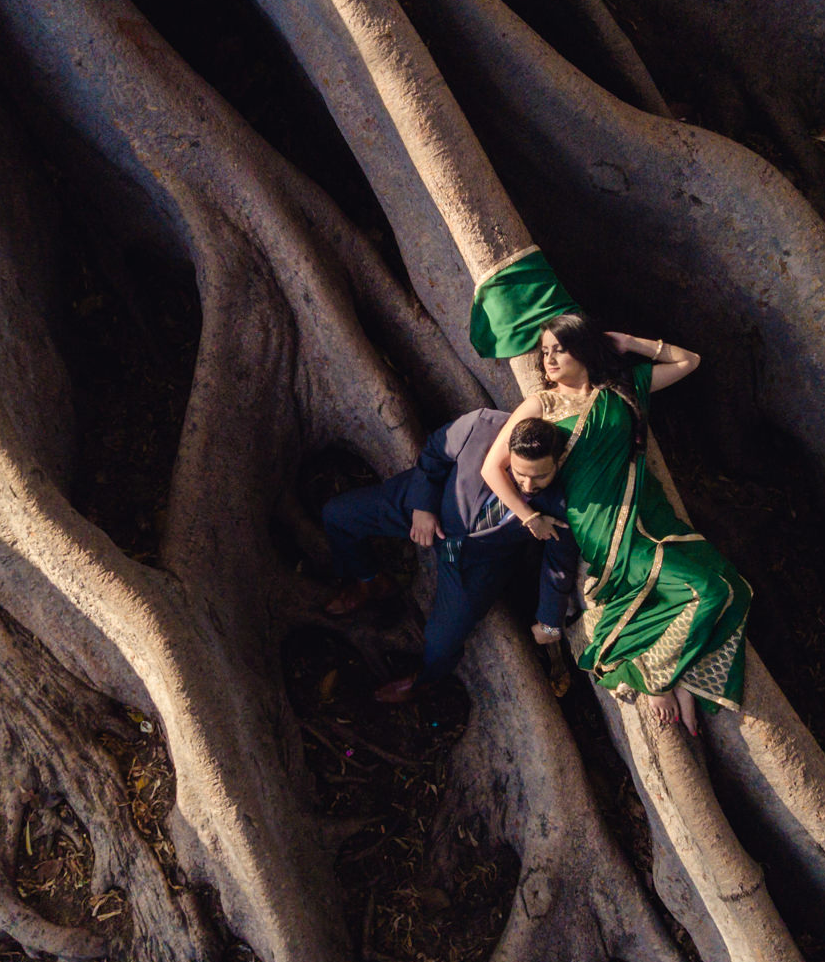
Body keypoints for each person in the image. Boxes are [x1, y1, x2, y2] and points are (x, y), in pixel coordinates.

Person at [469, 249, 751, 737]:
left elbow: (690, 361)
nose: (548, 358)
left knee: (732, 588)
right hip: (604, 528)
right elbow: (492, 467)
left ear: (584, 349)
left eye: (559, 348)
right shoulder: (543, 404)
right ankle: (655, 675)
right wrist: (529, 516)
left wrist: (629, 342)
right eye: (545, 350)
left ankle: (677, 671)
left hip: (650, 513)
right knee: (710, 590)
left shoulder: (622, 389)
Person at [322, 411, 576, 703]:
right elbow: (434, 453)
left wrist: (549, 620)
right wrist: (422, 507)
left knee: (442, 641)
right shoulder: (481, 425)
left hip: (477, 561)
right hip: (432, 508)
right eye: (519, 473)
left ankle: (425, 680)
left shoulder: (564, 500)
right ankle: (369, 580)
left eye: (541, 475)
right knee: (337, 515)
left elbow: (559, 561)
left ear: (557, 462)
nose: (528, 486)